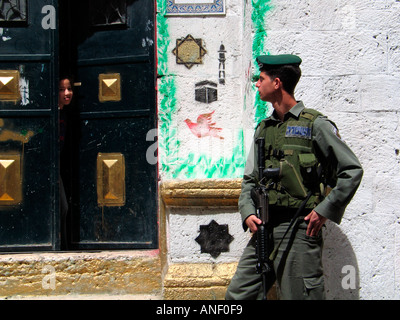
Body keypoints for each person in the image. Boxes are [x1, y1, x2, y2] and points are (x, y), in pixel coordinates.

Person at [225, 54, 363, 300]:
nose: (257, 83)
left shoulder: (315, 125)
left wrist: (324, 210)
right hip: (264, 227)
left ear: (277, 83)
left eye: (262, 78)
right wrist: (247, 211)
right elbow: (250, 180)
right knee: (238, 296)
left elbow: (351, 170)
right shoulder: (263, 128)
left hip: (300, 228)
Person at [59, 76, 74, 250]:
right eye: (62, 90)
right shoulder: (54, 113)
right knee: (62, 207)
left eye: (69, 88)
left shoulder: (64, 113)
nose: (67, 93)